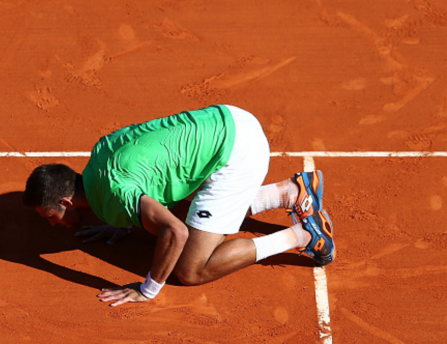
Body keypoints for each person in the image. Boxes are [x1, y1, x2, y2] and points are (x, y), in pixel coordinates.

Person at [23, 104, 335, 307]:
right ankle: (290, 192)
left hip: (237, 157)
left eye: (51, 216)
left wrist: (147, 290)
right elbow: (142, 174)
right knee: (182, 213)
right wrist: (122, 220)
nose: (52, 223)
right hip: (229, 118)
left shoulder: (115, 194)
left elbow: (175, 231)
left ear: (66, 201)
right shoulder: (99, 156)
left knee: (189, 269)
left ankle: (304, 235)